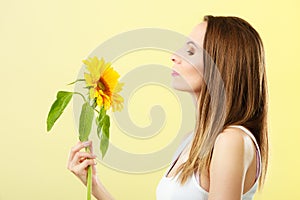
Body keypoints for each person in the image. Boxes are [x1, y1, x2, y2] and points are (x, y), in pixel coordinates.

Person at [67, 15, 268, 200]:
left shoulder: (231, 140)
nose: (174, 55)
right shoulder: (190, 141)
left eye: (190, 51)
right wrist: (94, 186)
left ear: (221, 65)